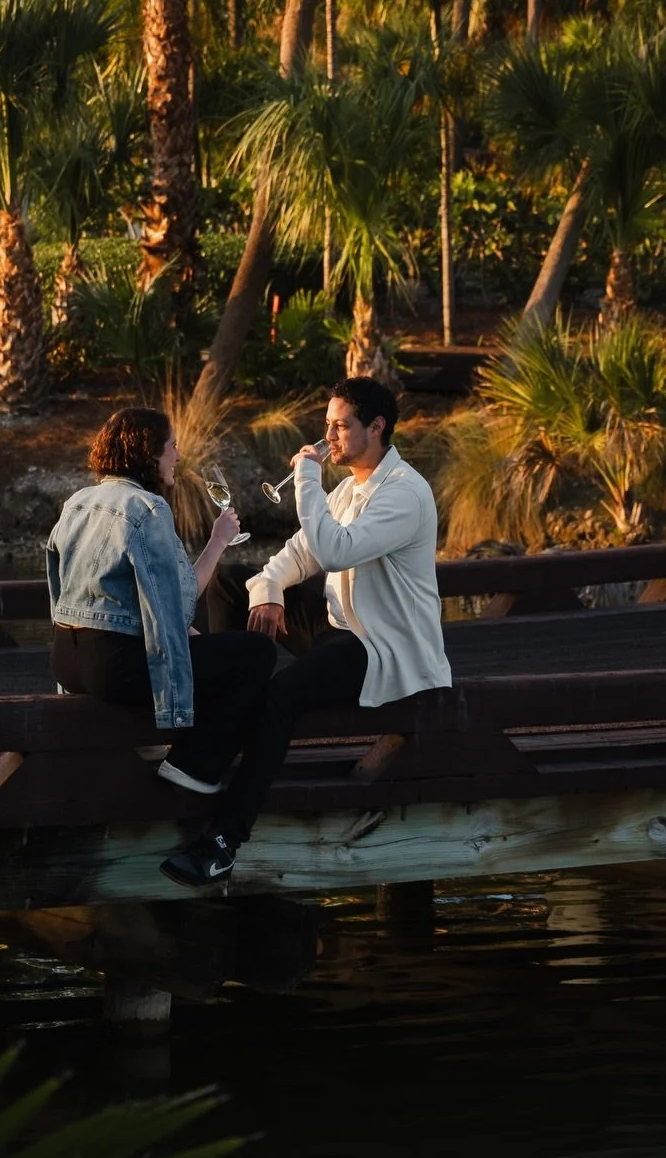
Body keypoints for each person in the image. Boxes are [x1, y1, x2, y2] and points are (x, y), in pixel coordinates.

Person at [160, 376, 452, 887]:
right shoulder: (348, 488)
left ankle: (225, 841)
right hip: (341, 627)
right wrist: (269, 589)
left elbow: (335, 550)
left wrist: (307, 479)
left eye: (341, 427)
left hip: (386, 647)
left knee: (283, 694)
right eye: (327, 427)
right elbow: (296, 554)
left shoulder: (405, 493)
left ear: (377, 427)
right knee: (234, 583)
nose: (330, 438)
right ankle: (219, 729)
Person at [47, 407, 279, 795]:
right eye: (171, 446)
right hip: (114, 669)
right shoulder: (148, 509)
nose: (178, 455)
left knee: (190, 645)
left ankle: (151, 742)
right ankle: (193, 764)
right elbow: (181, 601)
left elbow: (62, 590)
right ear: (148, 453)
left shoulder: (78, 502)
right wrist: (219, 542)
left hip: (67, 663)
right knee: (255, 653)